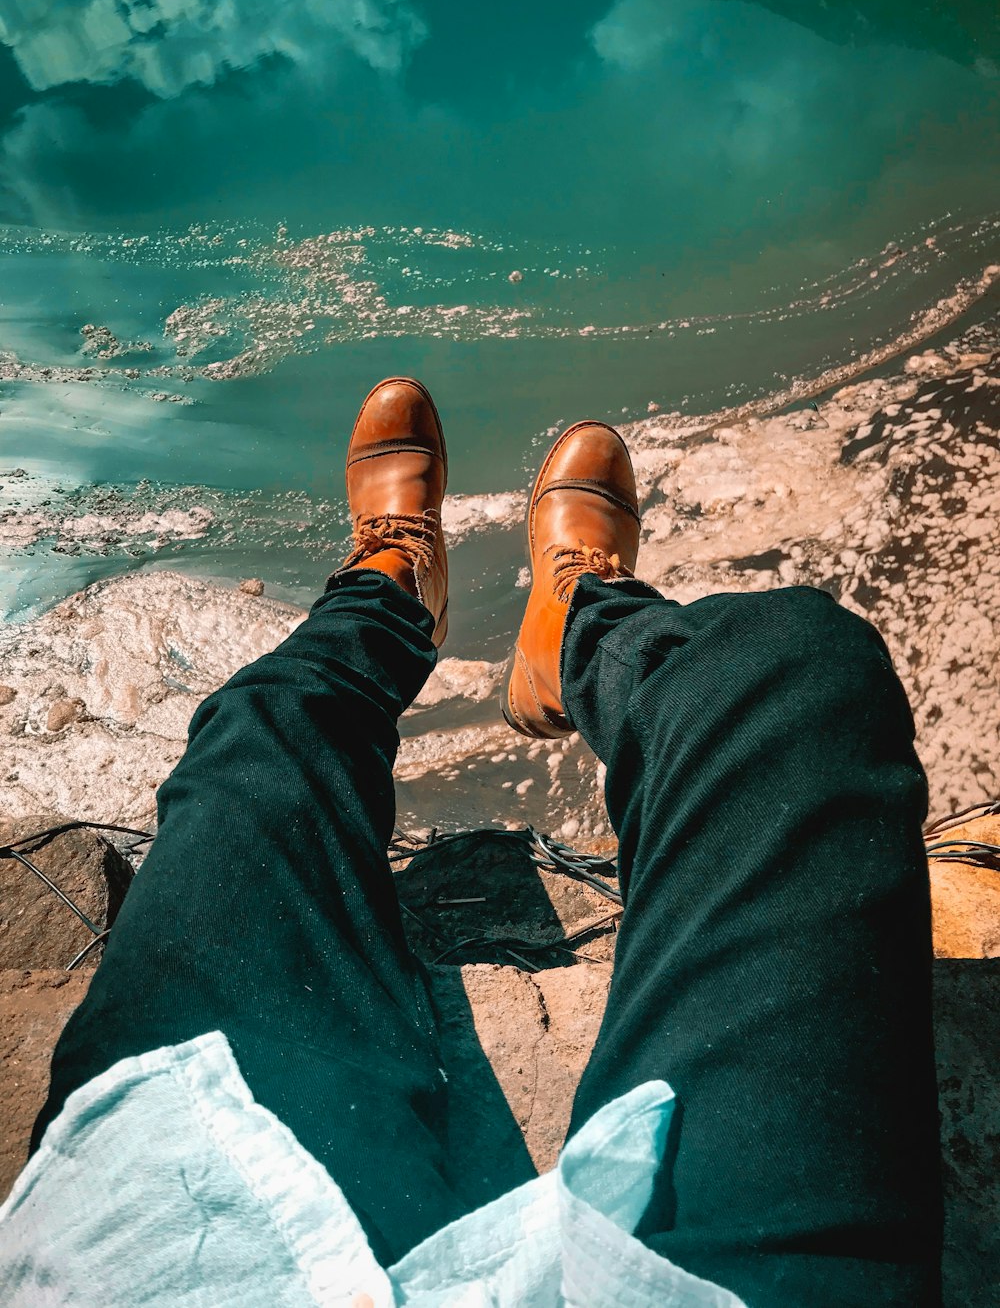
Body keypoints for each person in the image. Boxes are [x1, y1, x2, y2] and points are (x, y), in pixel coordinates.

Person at [0, 378, 941, 1306]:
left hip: (193, 1246)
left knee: (257, 739)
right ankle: (578, 620)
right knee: (802, 672)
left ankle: (388, 593)